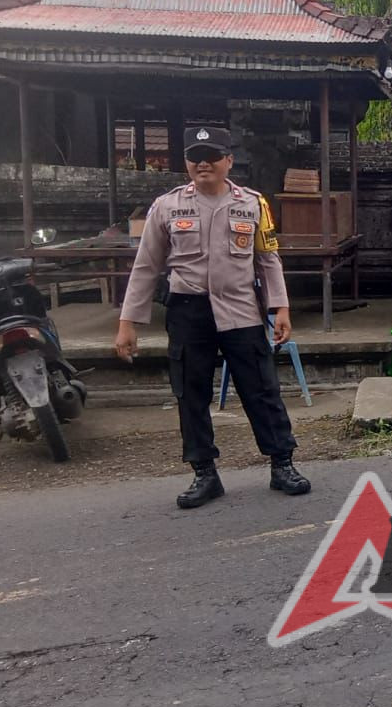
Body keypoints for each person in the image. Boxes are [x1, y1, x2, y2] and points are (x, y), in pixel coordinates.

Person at [114, 127, 311, 509]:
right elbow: (146, 266)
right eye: (195, 157)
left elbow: (268, 259)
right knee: (191, 394)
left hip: (241, 310)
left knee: (262, 390)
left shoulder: (252, 204)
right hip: (189, 310)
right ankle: (204, 473)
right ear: (187, 162)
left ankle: (282, 464)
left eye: (211, 156)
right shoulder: (167, 207)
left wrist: (280, 308)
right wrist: (128, 323)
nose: (203, 163)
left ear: (229, 161)